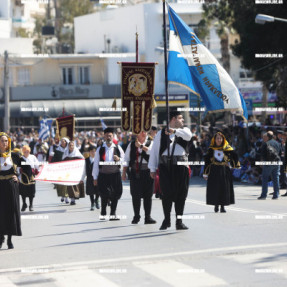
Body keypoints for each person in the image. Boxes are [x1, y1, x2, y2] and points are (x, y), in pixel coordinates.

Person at [148, 111, 192, 230]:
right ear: (173, 119)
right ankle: (167, 220)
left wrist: (175, 131)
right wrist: (152, 168)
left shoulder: (184, 131)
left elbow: (189, 136)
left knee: (181, 195)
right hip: (166, 167)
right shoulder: (161, 134)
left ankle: (179, 221)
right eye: (180, 118)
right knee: (166, 194)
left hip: (181, 167)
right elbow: (154, 151)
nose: (182, 120)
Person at [122, 131, 156, 224]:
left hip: (148, 172)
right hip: (135, 172)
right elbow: (126, 159)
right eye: (141, 132)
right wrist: (124, 172)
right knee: (135, 195)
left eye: (145, 131)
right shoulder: (132, 145)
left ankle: (147, 217)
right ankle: (136, 216)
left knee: (148, 195)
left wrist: (141, 146)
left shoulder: (151, 143)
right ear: (137, 133)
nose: (143, 133)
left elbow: (153, 153)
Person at [203, 132, 240, 213]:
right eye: (217, 138)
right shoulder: (211, 149)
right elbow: (207, 162)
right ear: (214, 140)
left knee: (224, 188)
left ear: (223, 139)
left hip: (224, 170)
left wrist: (230, 164)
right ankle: (216, 205)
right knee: (215, 188)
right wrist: (205, 173)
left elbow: (235, 156)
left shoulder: (227, 148)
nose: (219, 140)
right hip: (214, 170)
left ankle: (223, 206)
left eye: (220, 138)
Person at [93, 128, 125, 221]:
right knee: (104, 194)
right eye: (107, 135)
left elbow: (125, 161)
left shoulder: (118, 148)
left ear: (113, 136)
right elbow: (96, 163)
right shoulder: (100, 149)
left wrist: (118, 159)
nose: (108, 137)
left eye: (110, 135)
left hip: (115, 175)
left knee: (116, 194)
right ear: (104, 136)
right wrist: (95, 177)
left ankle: (113, 214)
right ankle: (103, 212)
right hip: (103, 174)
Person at [0, 132, 22, 249]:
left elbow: (27, 167)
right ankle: (0, 237)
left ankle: (9, 239)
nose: (5, 143)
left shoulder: (14, 156)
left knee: (10, 212)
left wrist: (18, 177)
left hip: (10, 186)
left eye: (6, 141)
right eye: (2, 141)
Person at [258, 131, 282, 200]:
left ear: (267, 137)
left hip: (268, 163)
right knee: (276, 178)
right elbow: (280, 153)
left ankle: (263, 195)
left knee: (265, 178)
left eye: (265, 137)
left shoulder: (265, 144)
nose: (264, 138)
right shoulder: (277, 143)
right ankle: (276, 195)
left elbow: (263, 154)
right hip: (277, 162)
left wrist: (261, 162)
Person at [62, 141, 85, 205]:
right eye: (70, 146)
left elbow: (82, 160)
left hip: (75, 172)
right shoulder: (66, 153)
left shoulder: (77, 153)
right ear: (68, 146)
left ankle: (75, 197)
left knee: (75, 185)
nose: (71, 147)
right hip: (68, 172)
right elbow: (63, 161)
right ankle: (72, 199)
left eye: (72, 145)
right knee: (69, 186)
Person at [19, 145, 40, 212]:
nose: (26, 152)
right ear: (23, 152)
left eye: (27, 151)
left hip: (31, 176)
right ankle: (24, 204)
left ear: (29, 151)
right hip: (23, 176)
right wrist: (18, 174)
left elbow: (37, 165)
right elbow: (18, 168)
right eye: (25, 151)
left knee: (31, 191)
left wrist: (40, 169)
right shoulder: (21, 158)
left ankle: (31, 205)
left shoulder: (32, 157)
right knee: (23, 191)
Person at [52, 137, 70, 203]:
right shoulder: (57, 150)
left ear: (66, 142)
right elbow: (54, 160)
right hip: (60, 168)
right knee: (61, 183)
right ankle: (63, 195)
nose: (62, 142)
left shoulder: (69, 150)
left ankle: (66, 197)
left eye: (64, 141)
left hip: (68, 168)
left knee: (67, 183)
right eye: (61, 141)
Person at [83, 146, 100, 210]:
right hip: (89, 177)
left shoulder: (98, 159)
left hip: (97, 177)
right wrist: (82, 178)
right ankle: (92, 203)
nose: (93, 152)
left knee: (98, 190)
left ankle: (97, 200)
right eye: (92, 151)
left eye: (94, 151)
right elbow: (84, 170)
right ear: (89, 152)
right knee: (91, 191)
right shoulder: (86, 160)